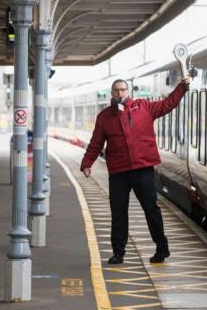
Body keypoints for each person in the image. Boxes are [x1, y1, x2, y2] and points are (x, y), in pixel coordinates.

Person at [80, 76, 191, 264]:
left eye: (122, 89)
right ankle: (118, 253)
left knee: (151, 209)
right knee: (118, 213)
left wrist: (182, 86)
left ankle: (161, 248)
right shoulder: (105, 117)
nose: (119, 93)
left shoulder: (144, 107)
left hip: (143, 168)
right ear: (112, 93)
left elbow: (168, 104)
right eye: (116, 90)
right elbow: (96, 143)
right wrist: (87, 163)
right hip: (119, 172)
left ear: (128, 91)